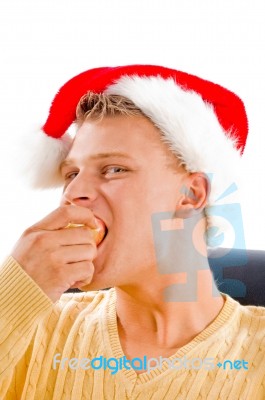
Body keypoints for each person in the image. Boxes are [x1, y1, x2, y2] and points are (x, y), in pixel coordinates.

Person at [0, 65, 264, 400]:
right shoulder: (31, 327)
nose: (74, 192)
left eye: (113, 169)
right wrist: (11, 296)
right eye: (71, 173)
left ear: (191, 195)